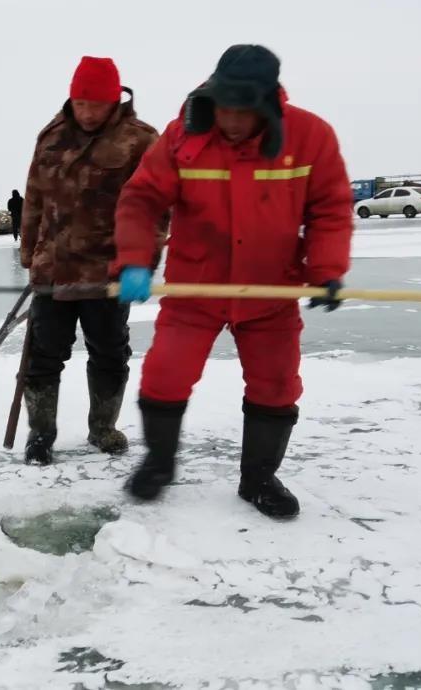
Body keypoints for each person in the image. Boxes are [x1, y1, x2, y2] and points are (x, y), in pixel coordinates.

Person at [114, 45, 353, 519]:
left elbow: (330, 207)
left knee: (277, 384)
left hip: (270, 290)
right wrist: (135, 260)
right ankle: (159, 462)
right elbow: (141, 200)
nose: (232, 121)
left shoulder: (310, 136)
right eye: (225, 108)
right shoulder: (184, 135)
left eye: (243, 111)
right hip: (195, 288)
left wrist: (326, 268)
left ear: (266, 103)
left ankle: (259, 478)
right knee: (165, 375)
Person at [19, 56, 159, 465]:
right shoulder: (51, 137)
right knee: (44, 355)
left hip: (108, 271)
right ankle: (41, 434)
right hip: (54, 268)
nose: (87, 113)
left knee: (110, 352)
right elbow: (34, 199)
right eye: (80, 103)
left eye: (96, 105)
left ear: (115, 100)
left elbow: (155, 210)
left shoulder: (141, 140)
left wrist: (143, 264)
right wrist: (30, 252)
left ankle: (103, 428)